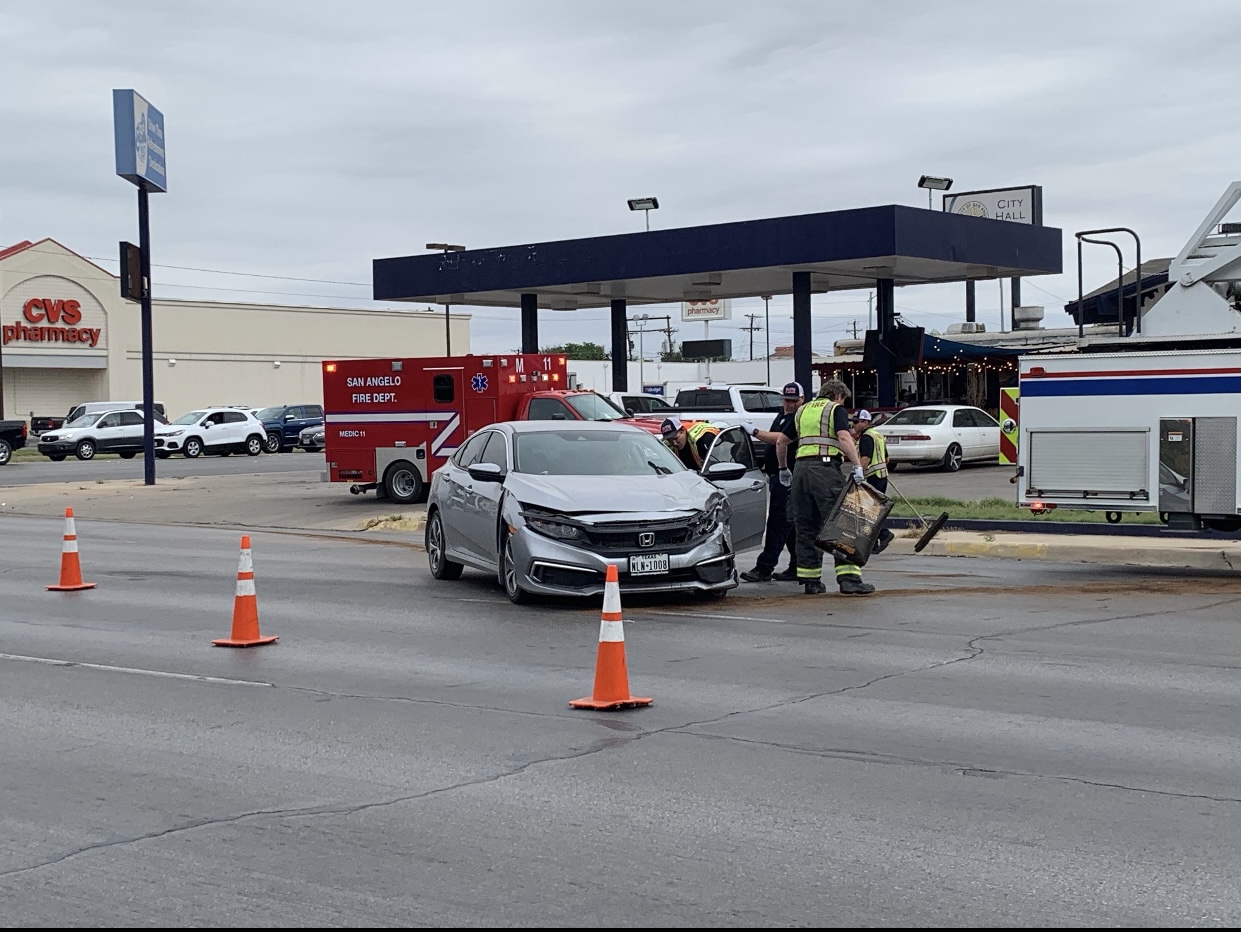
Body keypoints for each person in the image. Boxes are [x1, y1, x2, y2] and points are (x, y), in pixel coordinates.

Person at [775, 379, 875, 596]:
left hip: (800, 471)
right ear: (838, 395)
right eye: (844, 399)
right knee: (843, 523)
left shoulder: (801, 411)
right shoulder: (835, 409)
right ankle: (849, 579)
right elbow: (843, 436)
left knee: (806, 527)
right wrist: (857, 465)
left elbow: (781, 442)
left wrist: (783, 468)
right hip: (826, 470)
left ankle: (811, 581)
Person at [737, 382, 802, 582]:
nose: (789, 404)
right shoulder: (781, 416)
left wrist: (755, 432)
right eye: (786, 400)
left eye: (794, 401)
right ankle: (797, 566)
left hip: (787, 478)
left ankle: (764, 568)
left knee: (778, 523)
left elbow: (779, 439)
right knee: (789, 527)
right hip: (777, 477)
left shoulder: (799, 419)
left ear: (802, 400)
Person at [851, 409, 894, 554]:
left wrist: (858, 474)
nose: (854, 425)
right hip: (882, 477)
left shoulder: (866, 437)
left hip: (871, 479)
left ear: (865, 422)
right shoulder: (878, 435)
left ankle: (884, 533)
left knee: (869, 512)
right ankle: (873, 543)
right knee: (873, 511)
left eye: (857, 422)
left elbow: (865, 459)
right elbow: (887, 459)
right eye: (853, 422)